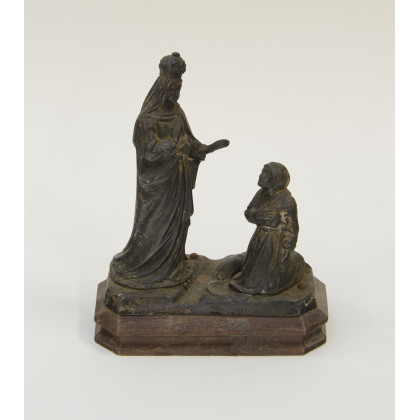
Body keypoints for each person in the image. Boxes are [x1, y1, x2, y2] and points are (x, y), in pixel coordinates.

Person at [109, 52, 229, 289]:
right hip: (158, 187)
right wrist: (174, 146)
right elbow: (148, 151)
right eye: (174, 88)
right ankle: (147, 270)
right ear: (163, 88)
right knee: (154, 227)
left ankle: (172, 267)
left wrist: (206, 148)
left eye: (179, 88)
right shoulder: (146, 120)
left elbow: (189, 141)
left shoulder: (177, 112)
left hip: (178, 181)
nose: (177, 93)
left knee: (178, 224)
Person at [229, 162, 306, 295]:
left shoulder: (287, 201)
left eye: (264, 173)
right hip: (258, 238)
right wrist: (255, 215)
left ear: (275, 178)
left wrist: (286, 251)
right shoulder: (261, 194)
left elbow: (291, 229)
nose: (260, 175)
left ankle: (262, 286)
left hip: (273, 242)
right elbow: (248, 212)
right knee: (249, 271)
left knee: (265, 278)